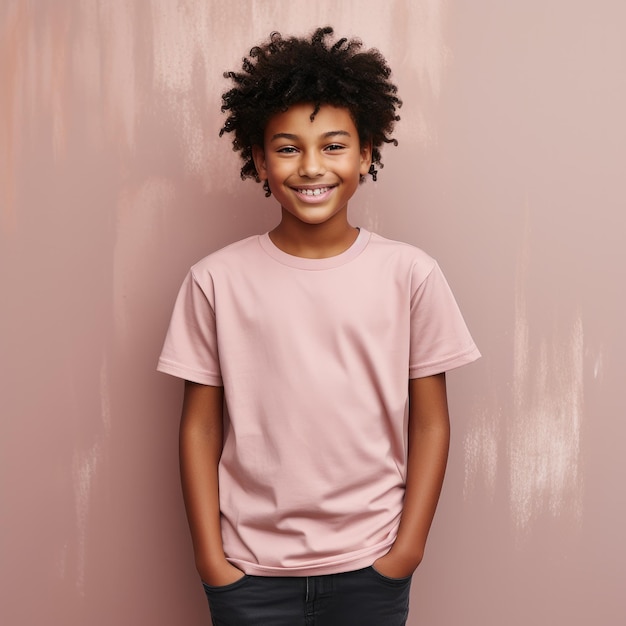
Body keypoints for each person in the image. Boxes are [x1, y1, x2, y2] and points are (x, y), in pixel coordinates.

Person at [157, 27, 480, 626]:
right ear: (257, 157)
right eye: (287, 147)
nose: (311, 166)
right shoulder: (215, 281)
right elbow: (199, 426)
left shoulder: (410, 274)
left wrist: (405, 552)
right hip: (249, 573)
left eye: (333, 146)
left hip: (371, 567)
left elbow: (431, 419)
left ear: (367, 153)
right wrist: (211, 560)